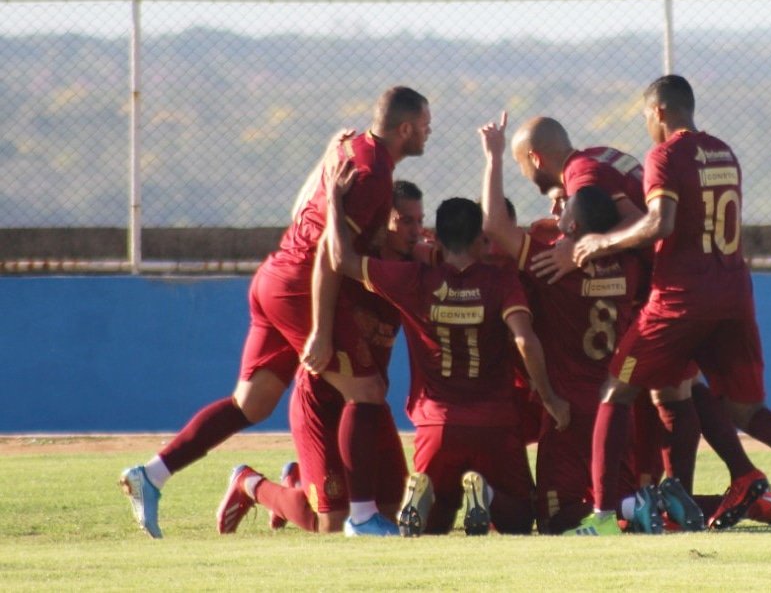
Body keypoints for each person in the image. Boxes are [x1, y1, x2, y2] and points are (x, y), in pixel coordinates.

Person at [119, 86, 430, 539]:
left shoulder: (348, 148)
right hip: (300, 285)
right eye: (425, 125)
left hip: (272, 275)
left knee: (251, 403)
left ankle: (152, 474)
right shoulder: (374, 172)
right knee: (366, 389)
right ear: (405, 128)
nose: (428, 132)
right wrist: (321, 331)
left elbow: (299, 210)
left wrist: (325, 153)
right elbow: (328, 254)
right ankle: (361, 519)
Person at [571, 74, 771, 532]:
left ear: (659, 111)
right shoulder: (724, 152)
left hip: (680, 300)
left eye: (646, 116)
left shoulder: (664, 155)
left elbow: (661, 224)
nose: (647, 125)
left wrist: (602, 243)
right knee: (746, 410)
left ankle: (602, 516)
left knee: (615, 390)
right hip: (733, 295)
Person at [329, 164, 570, 536]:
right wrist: (550, 397)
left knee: (435, 526)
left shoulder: (413, 280)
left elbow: (342, 260)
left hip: (435, 424)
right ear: (481, 241)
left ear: (436, 240)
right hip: (495, 423)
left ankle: (424, 493)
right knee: (520, 519)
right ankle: (486, 494)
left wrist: (334, 201)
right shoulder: (500, 282)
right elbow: (524, 339)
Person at [482, 113, 684, 534]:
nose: (553, 212)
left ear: (572, 225)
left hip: (569, 407)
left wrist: (495, 157)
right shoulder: (630, 263)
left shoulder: (550, 261)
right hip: (617, 398)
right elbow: (633, 223)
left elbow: (494, 226)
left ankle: (630, 509)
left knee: (554, 518)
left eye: (561, 208)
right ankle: (647, 501)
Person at [214, 180, 428, 535]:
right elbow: (319, 250)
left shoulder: (413, 266)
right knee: (330, 524)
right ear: (380, 223)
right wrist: (333, 200)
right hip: (321, 400)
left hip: (366, 405)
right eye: (405, 221)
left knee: (393, 516)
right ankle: (250, 484)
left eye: (419, 221)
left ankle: (300, 478)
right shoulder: (350, 265)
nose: (415, 231)